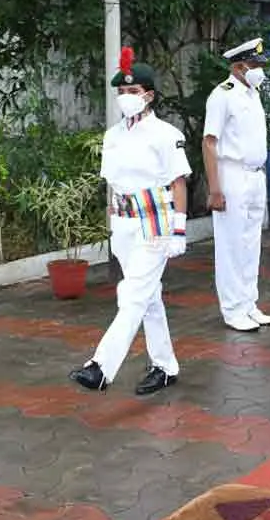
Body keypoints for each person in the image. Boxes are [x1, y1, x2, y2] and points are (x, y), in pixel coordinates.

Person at [71, 50, 190, 394]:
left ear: (149, 96)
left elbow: (179, 182)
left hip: (155, 220)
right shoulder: (113, 136)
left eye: (133, 92)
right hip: (123, 223)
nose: (125, 98)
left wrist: (179, 229)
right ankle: (164, 365)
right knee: (148, 297)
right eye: (122, 92)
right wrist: (111, 216)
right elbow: (111, 182)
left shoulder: (166, 133)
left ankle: (100, 367)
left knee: (133, 294)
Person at [203, 38, 270, 332]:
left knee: (250, 243)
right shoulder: (222, 95)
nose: (260, 70)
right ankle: (233, 309)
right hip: (231, 174)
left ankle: (249, 304)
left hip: (255, 174)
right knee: (230, 245)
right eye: (256, 65)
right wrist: (215, 189)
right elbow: (209, 143)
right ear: (239, 66)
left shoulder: (252, 94)